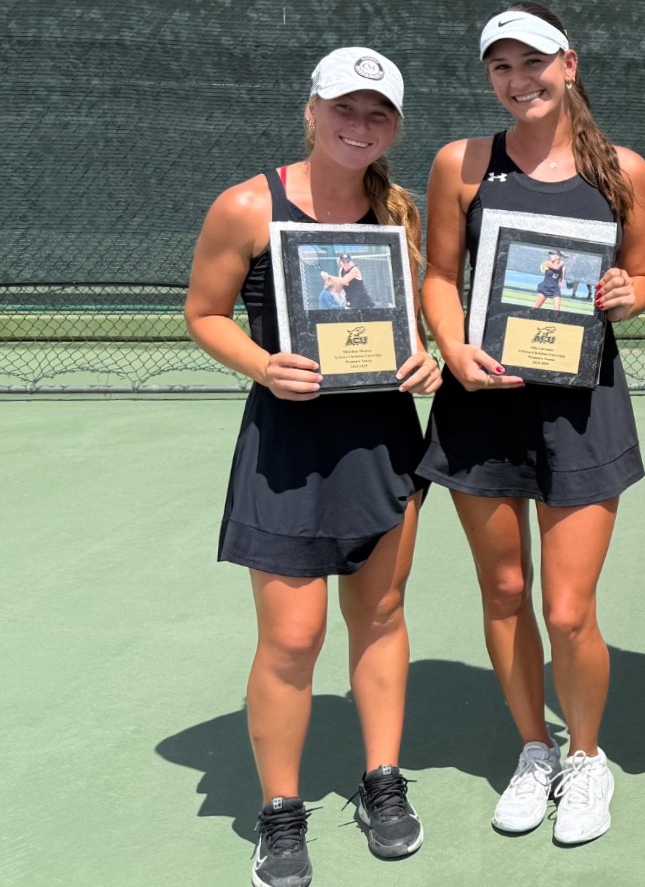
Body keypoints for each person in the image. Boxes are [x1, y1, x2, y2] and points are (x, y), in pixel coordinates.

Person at [183, 48, 442, 887]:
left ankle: (382, 781)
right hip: (288, 450)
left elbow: (407, 325)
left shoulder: (399, 214)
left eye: (377, 114)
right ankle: (281, 811)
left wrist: (425, 361)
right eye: (344, 108)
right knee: (293, 639)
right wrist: (264, 365)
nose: (358, 126)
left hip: (383, 443)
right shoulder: (247, 205)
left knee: (382, 615)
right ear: (311, 110)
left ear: (394, 127)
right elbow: (204, 313)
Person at [418, 4, 645, 846]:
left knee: (568, 609)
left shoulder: (624, 170)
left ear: (569, 63)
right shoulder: (461, 164)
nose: (520, 81)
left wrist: (630, 293)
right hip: (481, 403)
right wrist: (453, 347)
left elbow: (640, 278)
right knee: (506, 591)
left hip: (581, 408)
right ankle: (534, 748)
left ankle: (586, 757)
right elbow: (439, 275)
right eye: (502, 67)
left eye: (534, 62)